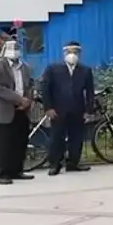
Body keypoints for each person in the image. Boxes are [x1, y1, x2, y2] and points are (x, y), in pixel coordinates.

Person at [41, 41, 96, 176]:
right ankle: (55, 164)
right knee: (56, 138)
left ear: (80, 54)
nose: (72, 55)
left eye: (75, 52)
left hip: (78, 110)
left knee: (76, 138)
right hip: (58, 110)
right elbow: (45, 89)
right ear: (64, 53)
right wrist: (48, 107)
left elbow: (90, 91)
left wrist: (88, 110)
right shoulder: (53, 69)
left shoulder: (85, 70)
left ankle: (73, 163)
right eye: (69, 52)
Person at [0, 38, 34, 185]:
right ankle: (2, 173)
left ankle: (17, 170)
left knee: (20, 141)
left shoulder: (25, 67)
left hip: (22, 109)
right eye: (11, 47)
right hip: (5, 109)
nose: (14, 50)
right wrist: (18, 99)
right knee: (5, 143)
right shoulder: (0, 66)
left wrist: (28, 100)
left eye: (16, 47)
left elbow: (30, 85)